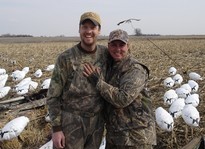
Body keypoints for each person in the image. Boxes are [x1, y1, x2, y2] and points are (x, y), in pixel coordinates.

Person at [83, 29, 157, 149]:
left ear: (128, 46)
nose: (117, 49)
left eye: (121, 45)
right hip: (116, 136)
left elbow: (123, 99)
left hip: (136, 138)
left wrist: (97, 82)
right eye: (113, 45)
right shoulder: (111, 66)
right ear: (108, 46)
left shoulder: (135, 69)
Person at [46, 12, 108, 149]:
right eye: (85, 27)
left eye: (93, 27)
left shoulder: (105, 54)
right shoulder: (65, 58)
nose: (88, 31)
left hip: (97, 123)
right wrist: (56, 129)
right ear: (79, 29)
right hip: (72, 123)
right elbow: (52, 96)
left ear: (99, 30)